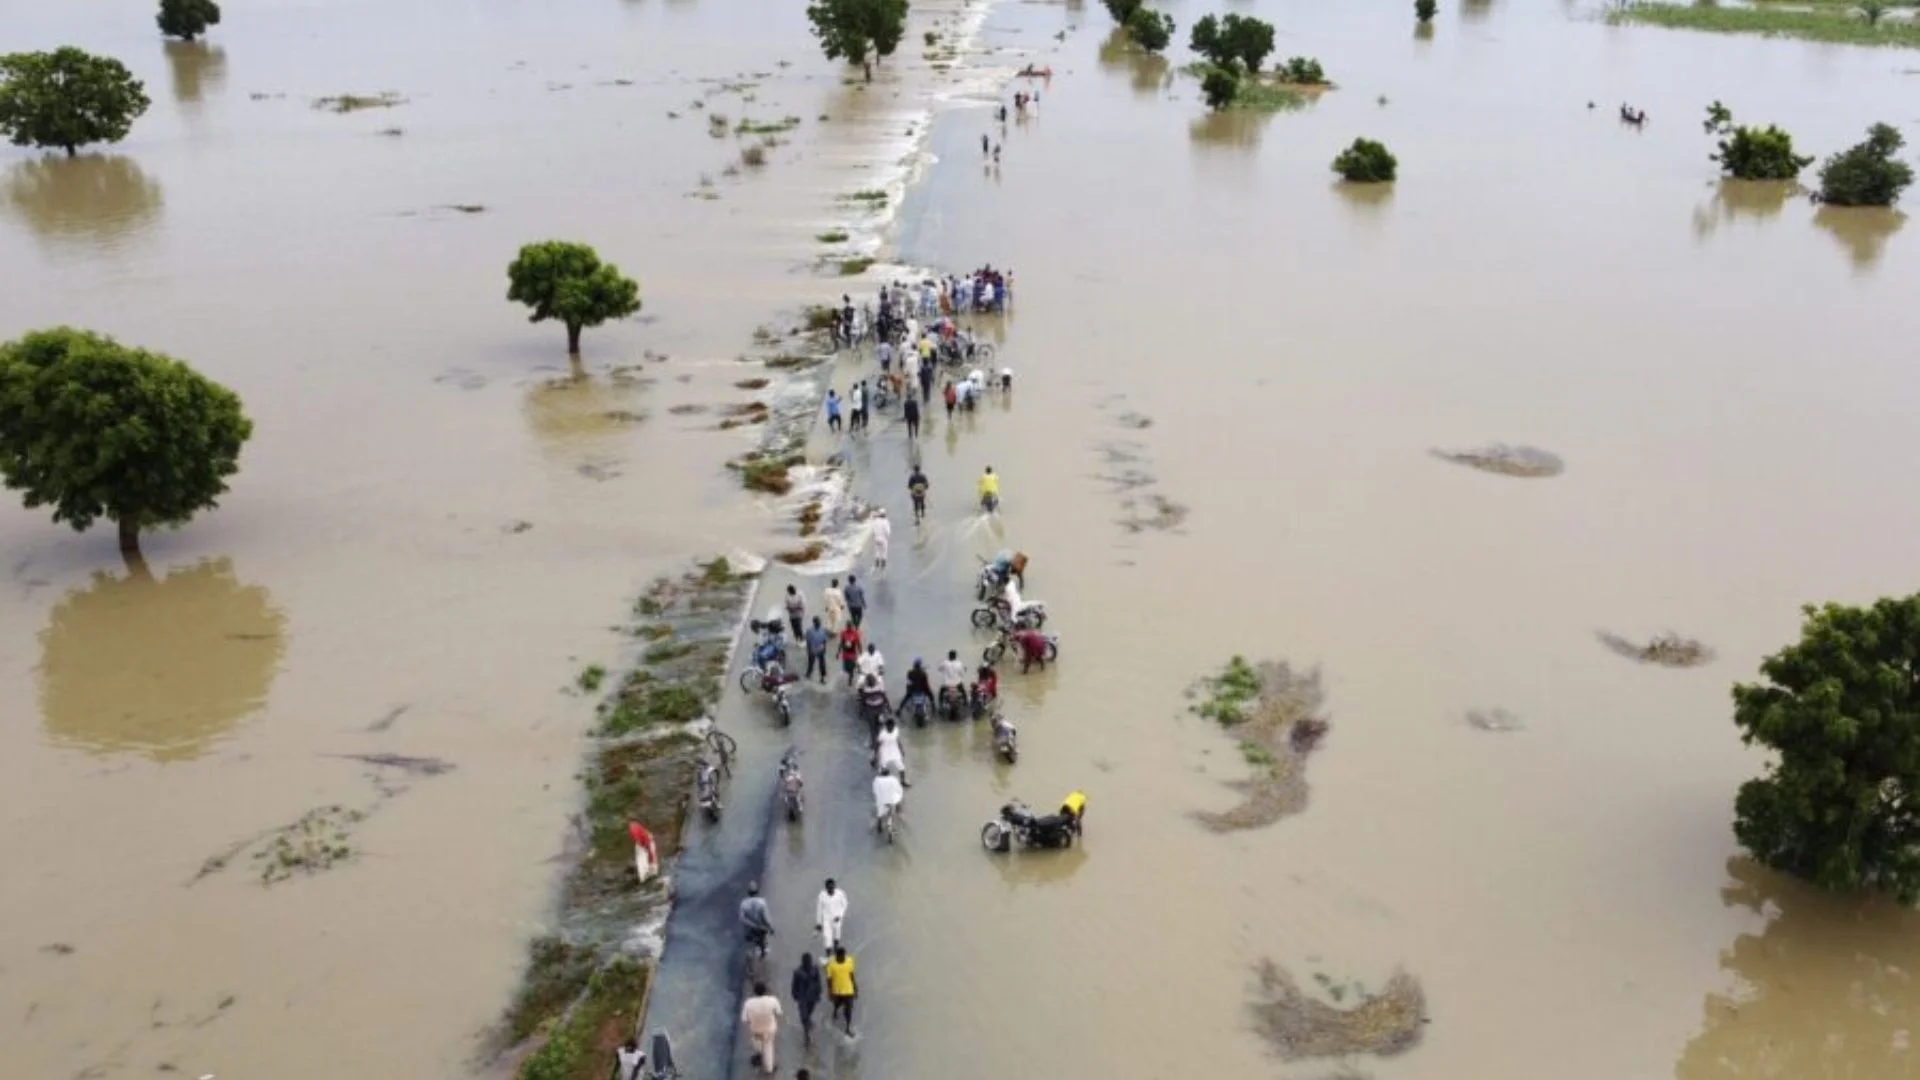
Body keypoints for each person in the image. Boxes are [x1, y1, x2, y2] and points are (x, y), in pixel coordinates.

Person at [742, 981, 783, 1074]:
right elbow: (779, 1013)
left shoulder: (748, 1003)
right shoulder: (773, 1000)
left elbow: (744, 1019)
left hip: (756, 1029)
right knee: (768, 1047)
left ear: (754, 991)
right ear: (765, 991)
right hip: (769, 1029)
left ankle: (760, 1054)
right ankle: (769, 1068)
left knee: (757, 1042)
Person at [791, 953, 823, 1048]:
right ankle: (806, 1035)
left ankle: (808, 1022)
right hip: (802, 997)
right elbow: (794, 984)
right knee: (803, 1016)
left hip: (812, 996)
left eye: (809, 961)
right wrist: (794, 994)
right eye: (806, 962)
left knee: (809, 1012)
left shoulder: (815, 969)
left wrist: (819, 993)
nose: (808, 963)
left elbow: (818, 982)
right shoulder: (797, 972)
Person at [825, 945, 857, 1037]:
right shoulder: (831, 964)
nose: (842, 958)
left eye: (843, 956)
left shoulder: (850, 961)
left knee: (848, 1009)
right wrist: (830, 991)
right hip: (837, 991)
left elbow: (851, 975)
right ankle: (835, 1011)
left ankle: (847, 1027)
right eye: (840, 956)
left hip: (848, 990)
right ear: (836, 956)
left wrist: (855, 987)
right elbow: (829, 979)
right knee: (837, 1005)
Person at [815, 878, 849, 951]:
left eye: (832, 887)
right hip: (826, 919)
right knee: (827, 937)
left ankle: (836, 948)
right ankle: (828, 955)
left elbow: (845, 904)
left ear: (834, 887)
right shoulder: (822, 896)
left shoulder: (840, 894)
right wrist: (819, 923)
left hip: (837, 918)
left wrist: (840, 915)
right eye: (829, 888)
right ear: (826, 888)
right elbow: (819, 909)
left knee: (837, 934)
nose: (831, 890)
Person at [740, 882, 774, 953]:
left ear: (748, 893)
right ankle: (763, 952)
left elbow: (742, 918)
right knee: (763, 942)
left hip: (750, 929)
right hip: (761, 928)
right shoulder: (762, 902)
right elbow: (765, 917)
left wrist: (751, 925)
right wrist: (770, 928)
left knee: (751, 943)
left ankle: (753, 953)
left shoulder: (743, 903)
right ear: (757, 892)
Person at [874, 717, 909, 783]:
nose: (891, 728)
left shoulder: (896, 730)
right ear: (886, 726)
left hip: (895, 751)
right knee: (882, 768)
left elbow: (898, 740)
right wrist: (875, 755)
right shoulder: (882, 734)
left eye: (892, 727)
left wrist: (901, 749)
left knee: (901, 767)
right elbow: (877, 744)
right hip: (884, 752)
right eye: (889, 727)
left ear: (894, 726)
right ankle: (882, 783)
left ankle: (903, 781)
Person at [803, 616, 830, 684]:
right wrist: (809, 651)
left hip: (821, 649)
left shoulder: (823, 630)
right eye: (817, 622)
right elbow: (808, 641)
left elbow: (824, 640)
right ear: (814, 622)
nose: (819, 623)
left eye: (820, 622)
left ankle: (822, 678)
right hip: (812, 650)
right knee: (811, 663)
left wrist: (824, 649)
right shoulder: (809, 631)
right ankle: (808, 673)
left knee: (822, 665)